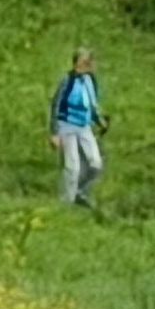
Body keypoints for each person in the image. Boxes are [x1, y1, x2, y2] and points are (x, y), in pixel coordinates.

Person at [49, 48, 108, 208]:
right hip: (66, 125)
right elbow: (56, 104)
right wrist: (54, 132)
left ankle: (80, 191)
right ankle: (67, 201)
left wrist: (99, 120)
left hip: (84, 126)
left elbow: (91, 105)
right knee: (72, 166)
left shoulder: (90, 81)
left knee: (96, 163)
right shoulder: (67, 80)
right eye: (84, 63)